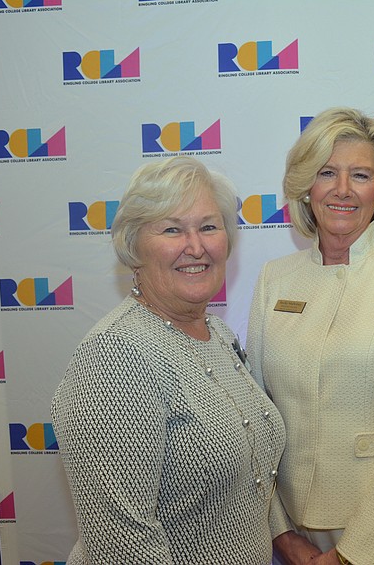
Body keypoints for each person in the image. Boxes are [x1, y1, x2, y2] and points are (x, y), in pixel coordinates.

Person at [247, 107, 374, 565]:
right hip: (290, 531)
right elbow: (255, 418)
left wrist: (352, 555)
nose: (342, 190)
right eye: (327, 173)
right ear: (307, 187)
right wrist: (281, 534)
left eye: (359, 175)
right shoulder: (274, 280)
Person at [52, 156, 285, 564]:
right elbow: (121, 547)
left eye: (209, 227)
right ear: (134, 246)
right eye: (172, 229)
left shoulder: (219, 334)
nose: (195, 247)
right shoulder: (116, 355)